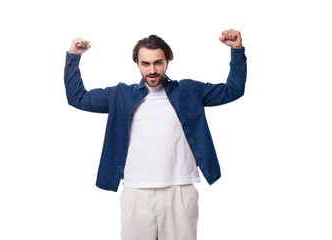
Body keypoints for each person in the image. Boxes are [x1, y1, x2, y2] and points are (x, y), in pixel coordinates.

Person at [64, 29, 247, 240]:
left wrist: (236, 51)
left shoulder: (189, 91)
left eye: (158, 63)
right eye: (145, 64)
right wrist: (74, 57)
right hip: (136, 192)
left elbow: (233, 90)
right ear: (138, 64)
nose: (152, 70)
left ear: (167, 61)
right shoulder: (120, 95)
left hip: (180, 188)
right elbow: (78, 98)